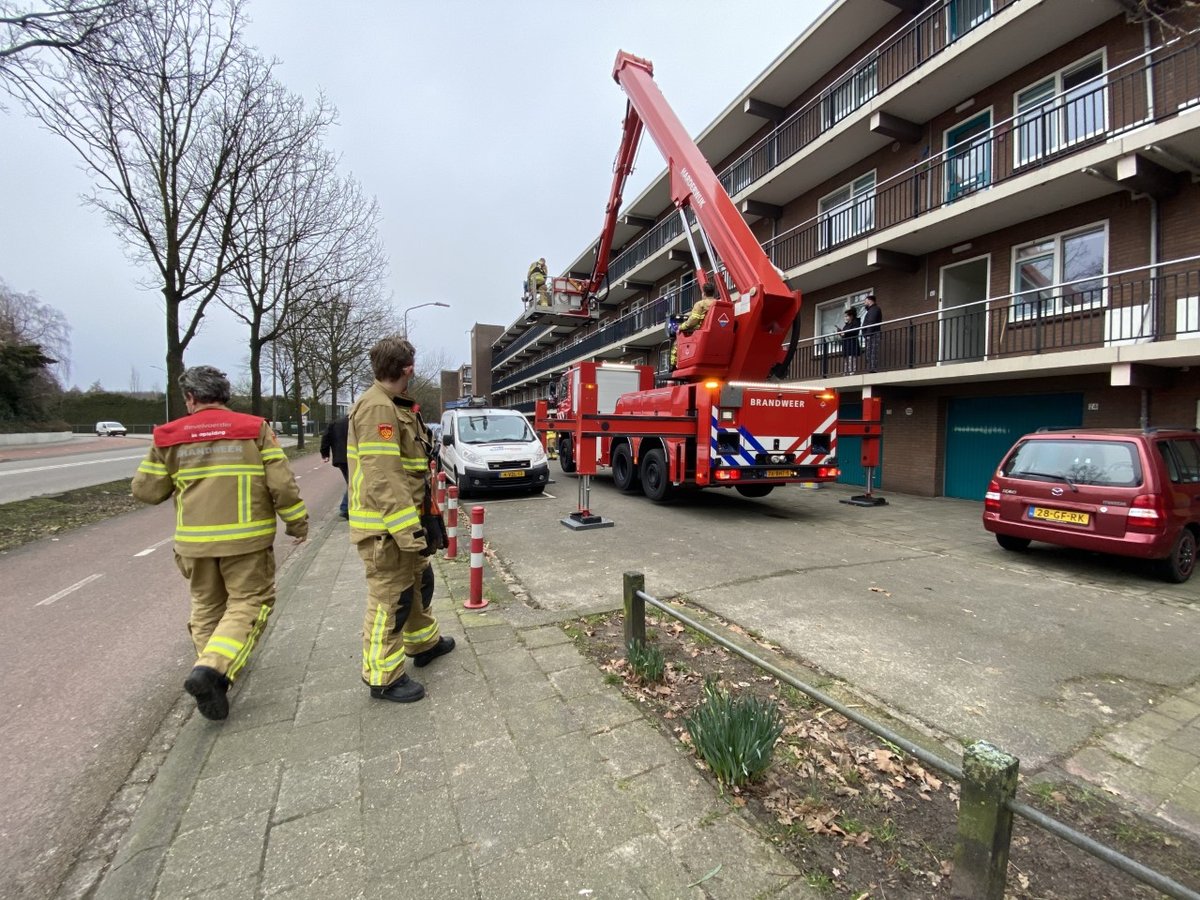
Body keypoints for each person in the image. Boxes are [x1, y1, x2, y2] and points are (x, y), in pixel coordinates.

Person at [131, 366, 308, 721]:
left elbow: (146, 491)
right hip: (246, 541)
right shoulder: (254, 429)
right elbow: (282, 485)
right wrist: (296, 522)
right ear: (225, 395)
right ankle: (212, 671)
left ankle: (212, 678)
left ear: (191, 398)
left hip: (194, 545)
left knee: (207, 609)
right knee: (249, 603)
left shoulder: (167, 435)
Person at [348, 335, 454, 703]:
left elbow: (410, 471)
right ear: (407, 368)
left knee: (416, 584)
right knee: (389, 599)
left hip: (403, 522)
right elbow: (384, 476)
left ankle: (423, 644)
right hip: (386, 529)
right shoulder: (378, 409)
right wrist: (408, 529)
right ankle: (383, 677)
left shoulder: (396, 405)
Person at [669, 281, 719, 368]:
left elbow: (693, 320)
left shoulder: (700, 304)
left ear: (703, 293)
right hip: (714, 332)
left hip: (698, 330)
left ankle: (673, 366)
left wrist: (680, 327)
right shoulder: (718, 303)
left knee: (677, 342)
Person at [320, 416, 350, 518]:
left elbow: (326, 438)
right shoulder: (357, 421)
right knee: (353, 483)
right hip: (353, 457)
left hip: (340, 458)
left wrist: (325, 454)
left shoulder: (335, 423)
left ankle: (346, 507)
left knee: (351, 482)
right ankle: (345, 508)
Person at [861, 293, 883, 373]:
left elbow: (872, 322)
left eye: (865, 301)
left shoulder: (875, 309)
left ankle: (872, 368)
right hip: (870, 334)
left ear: (870, 301)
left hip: (872, 334)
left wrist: (868, 334)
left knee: (872, 352)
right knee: (869, 352)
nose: (864, 303)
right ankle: (871, 368)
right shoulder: (871, 310)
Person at [838, 307, 862, 375]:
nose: (845, 318)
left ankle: (852, 371)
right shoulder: (846, 325)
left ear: (851, 316)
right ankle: (846, 372)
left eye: (846, 316)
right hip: (846, 343)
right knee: (846, 359)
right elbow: (844, 335)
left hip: (852, 343)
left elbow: (855, 331)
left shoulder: (856, 322)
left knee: (851, 358)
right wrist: (840, 333)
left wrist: (845, 333)